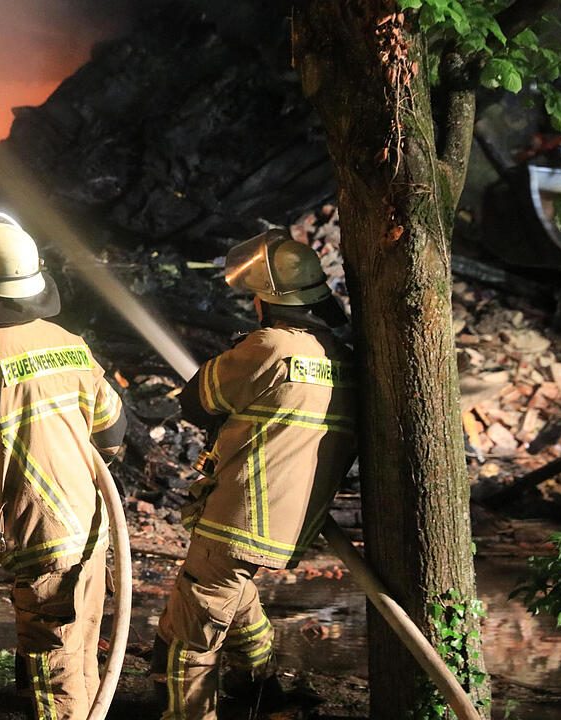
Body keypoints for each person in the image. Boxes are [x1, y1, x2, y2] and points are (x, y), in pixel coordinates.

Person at [0, 213, 127, 720]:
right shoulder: (71, 345)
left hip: (43, 536)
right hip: (92, 531)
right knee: (79, 665)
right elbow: (113, 434)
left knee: (52, 683)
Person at [153, 229, 357, 719]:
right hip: (292, 525)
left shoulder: (270, 347)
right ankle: (259, 690)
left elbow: (195, 401)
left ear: (268, 302)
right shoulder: (346, 362)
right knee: (230, 591)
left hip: (238, 514)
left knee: (189, 633)